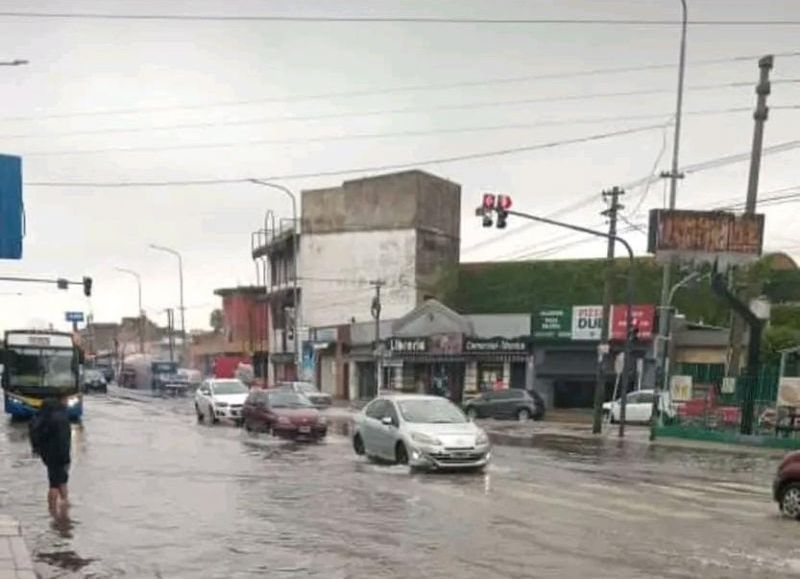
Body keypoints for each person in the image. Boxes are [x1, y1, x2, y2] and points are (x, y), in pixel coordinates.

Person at [30, 397, 72, 517]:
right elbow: (64, 440)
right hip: (59, 455)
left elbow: (34, 436)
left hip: (47, 454)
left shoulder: (39, 418)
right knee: (55, 483)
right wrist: (66, 458)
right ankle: (53, 511)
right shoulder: (60, 418)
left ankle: (64, 505)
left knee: (61, 480)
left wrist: (38, 449)